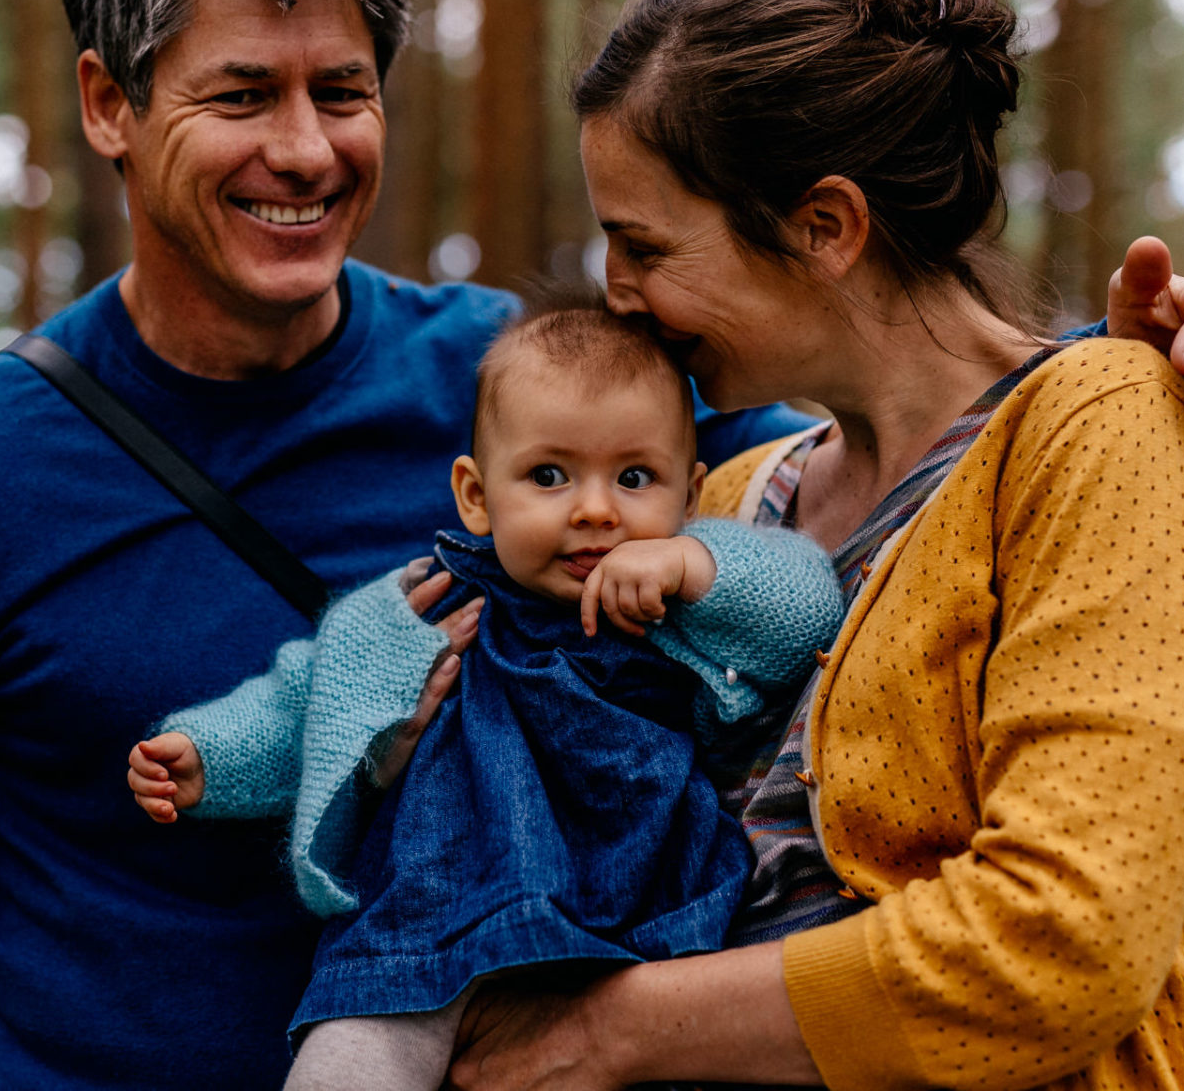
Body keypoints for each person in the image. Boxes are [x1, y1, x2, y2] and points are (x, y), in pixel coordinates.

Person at [0, 0, 1184, 1087]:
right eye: (240, 95)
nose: (304, 149)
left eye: (342, 91)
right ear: (110, 102)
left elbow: (943, 435)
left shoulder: (559, 397)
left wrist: (1173, 353)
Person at [444, 0, 1184, 1091]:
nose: (616, 292)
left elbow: (1063, 946)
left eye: (645, 246)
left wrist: (609, 1030)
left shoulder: (1103, 430)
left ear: (827, 224)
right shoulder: (732, 496)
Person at [128, 303, 846, 1091]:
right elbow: (306, 695)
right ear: (475, 495)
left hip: (638, 940)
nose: (596, 509)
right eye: (549, 476)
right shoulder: (429, 604)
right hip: (425, 926)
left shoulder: (679, 604)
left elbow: (806, 610)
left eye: (635, 478)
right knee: (344, 1068)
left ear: (690, 492)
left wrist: (695, 566)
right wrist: (209, 752)